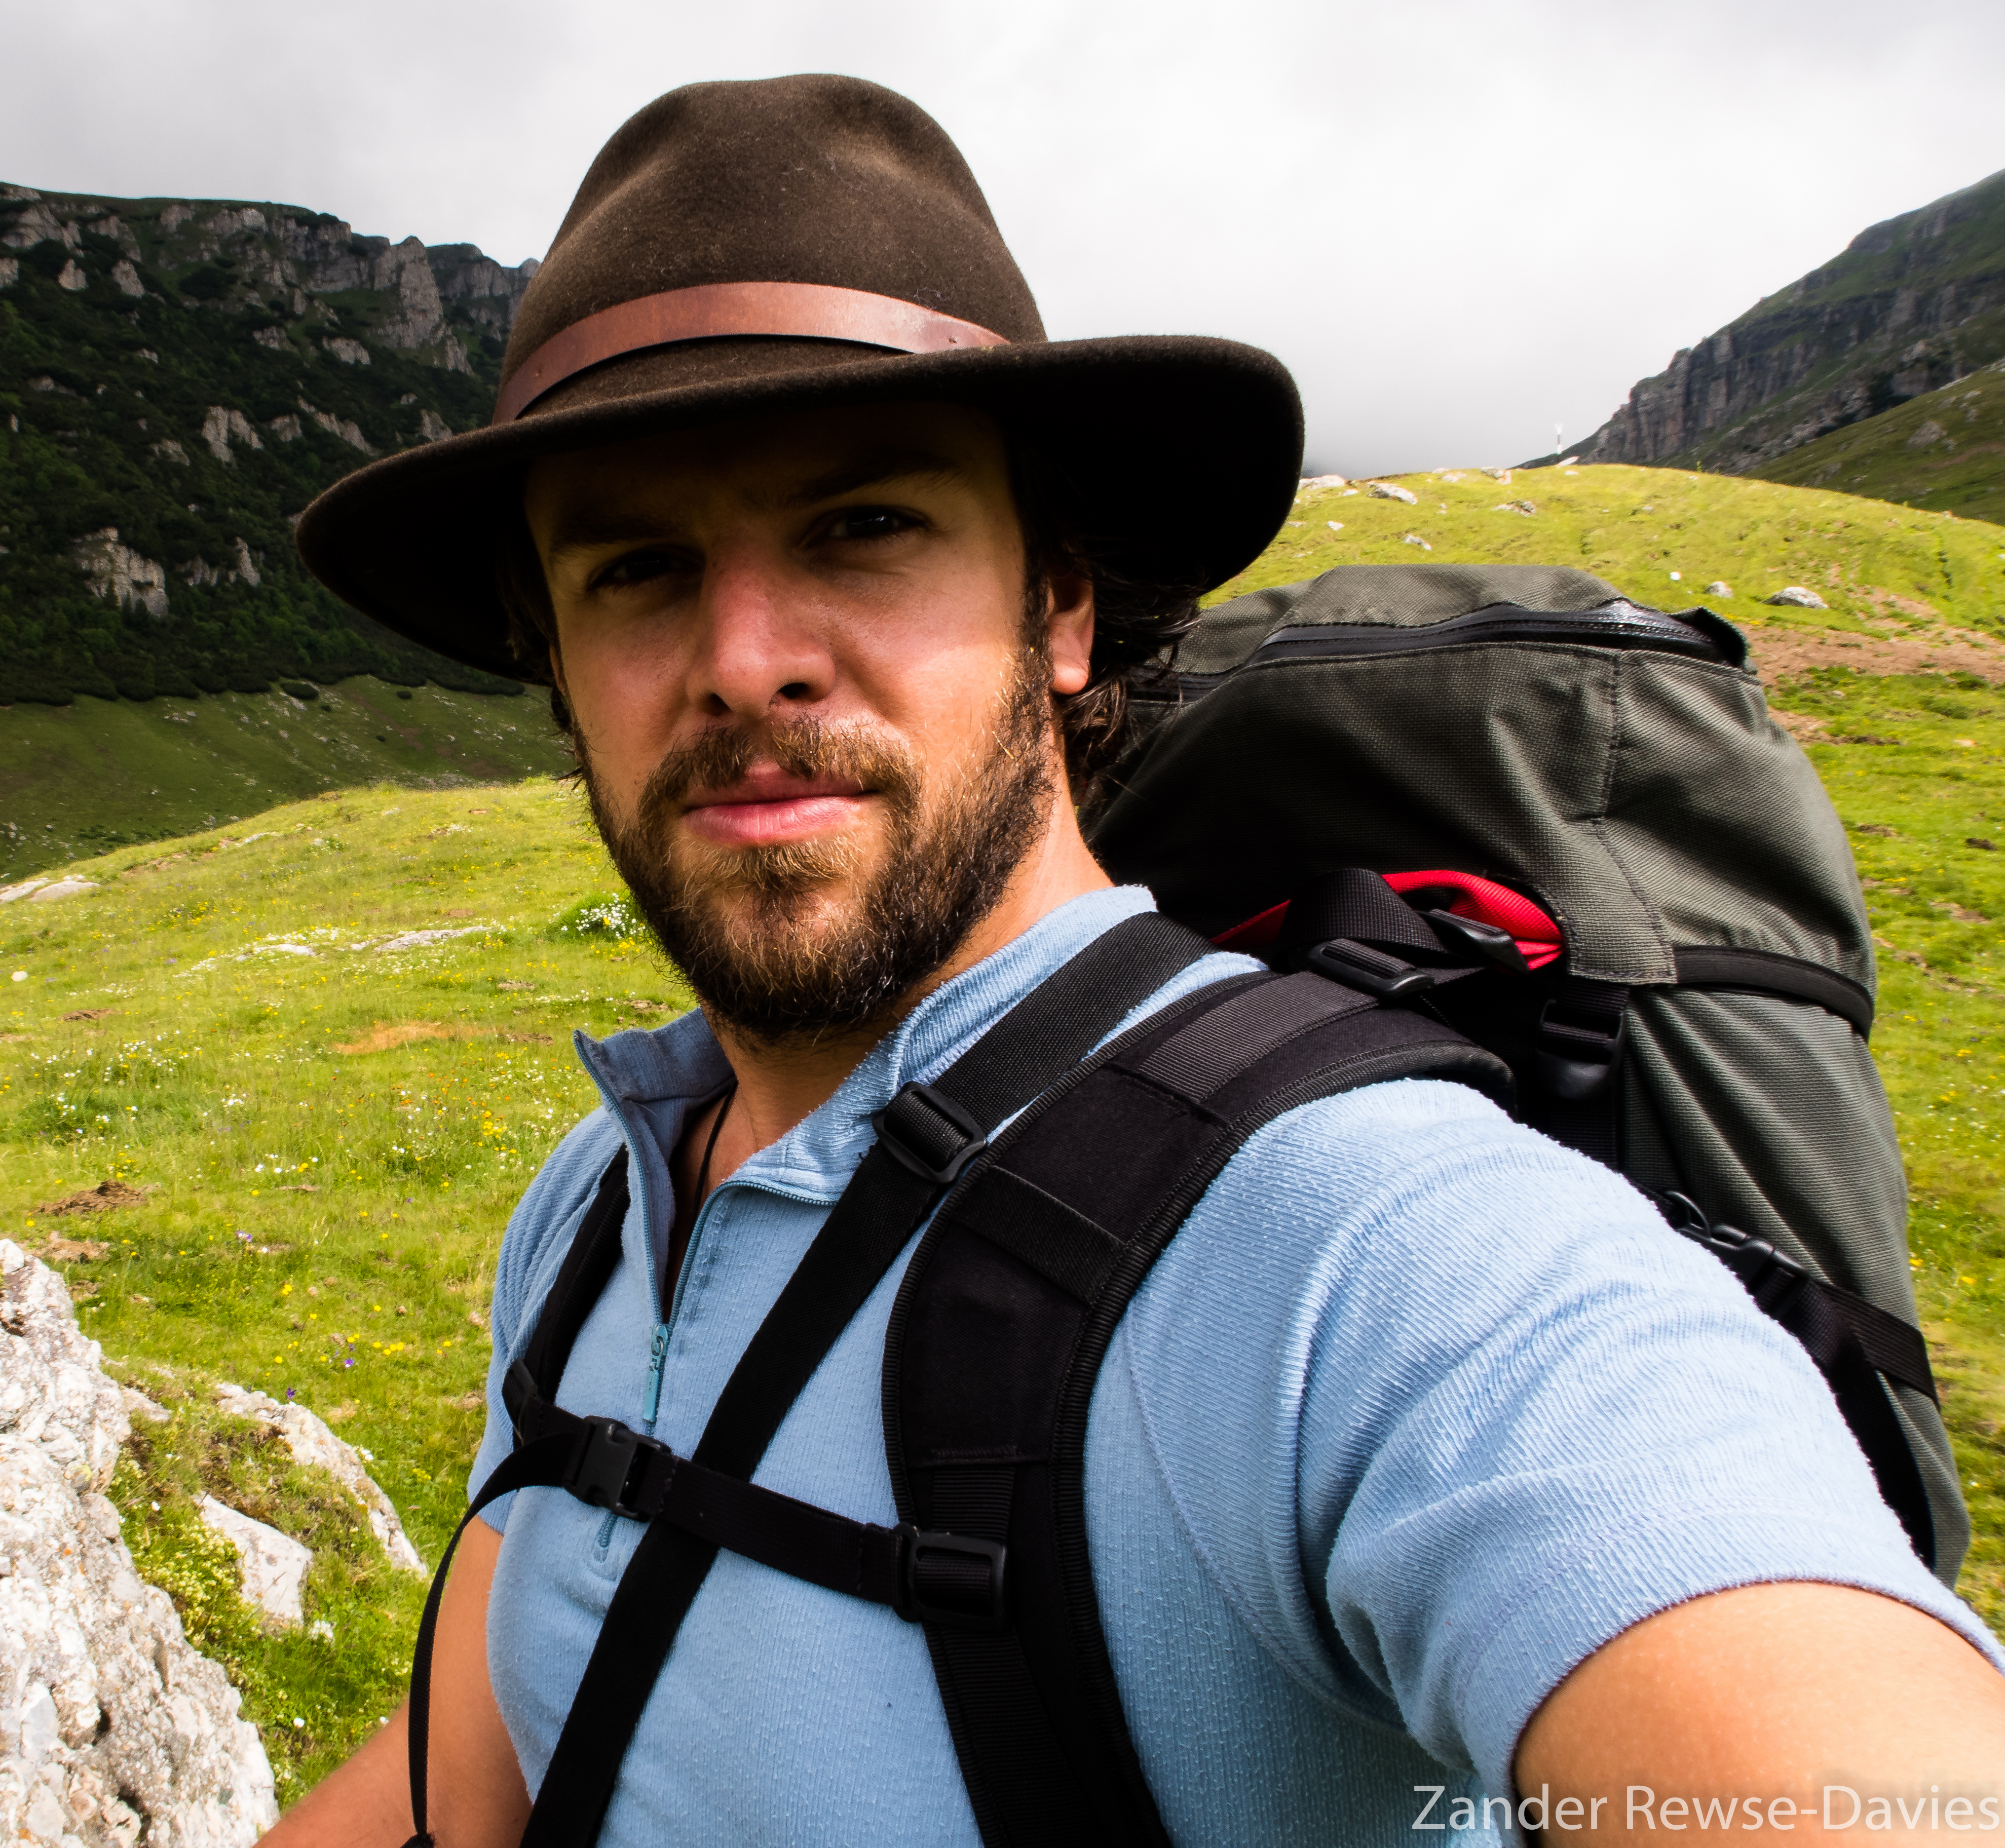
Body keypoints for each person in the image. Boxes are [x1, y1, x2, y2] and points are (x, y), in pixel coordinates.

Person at [276, 73, 2005, 1846]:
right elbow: (484, 1761)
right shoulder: (598, 1204)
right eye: (636, 569)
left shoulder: (1364, 1247)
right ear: (558, 667)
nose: (743, 658)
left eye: (865, 526)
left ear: (1062, 607)